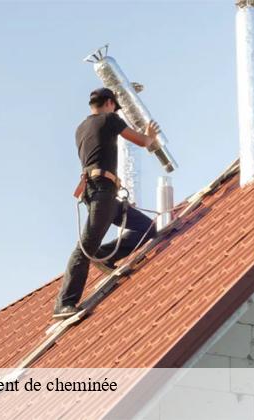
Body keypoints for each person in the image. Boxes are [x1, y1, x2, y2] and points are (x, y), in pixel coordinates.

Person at [53, 87, 160, 319]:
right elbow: (142, 141)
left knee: (147, 228)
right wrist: (150, 135)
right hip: (101, 192)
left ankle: (107, 255)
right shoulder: (110, 119)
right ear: (110, 103)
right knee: (85, 247)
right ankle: (64, 303)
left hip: (103, 193)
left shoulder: (81, 128)